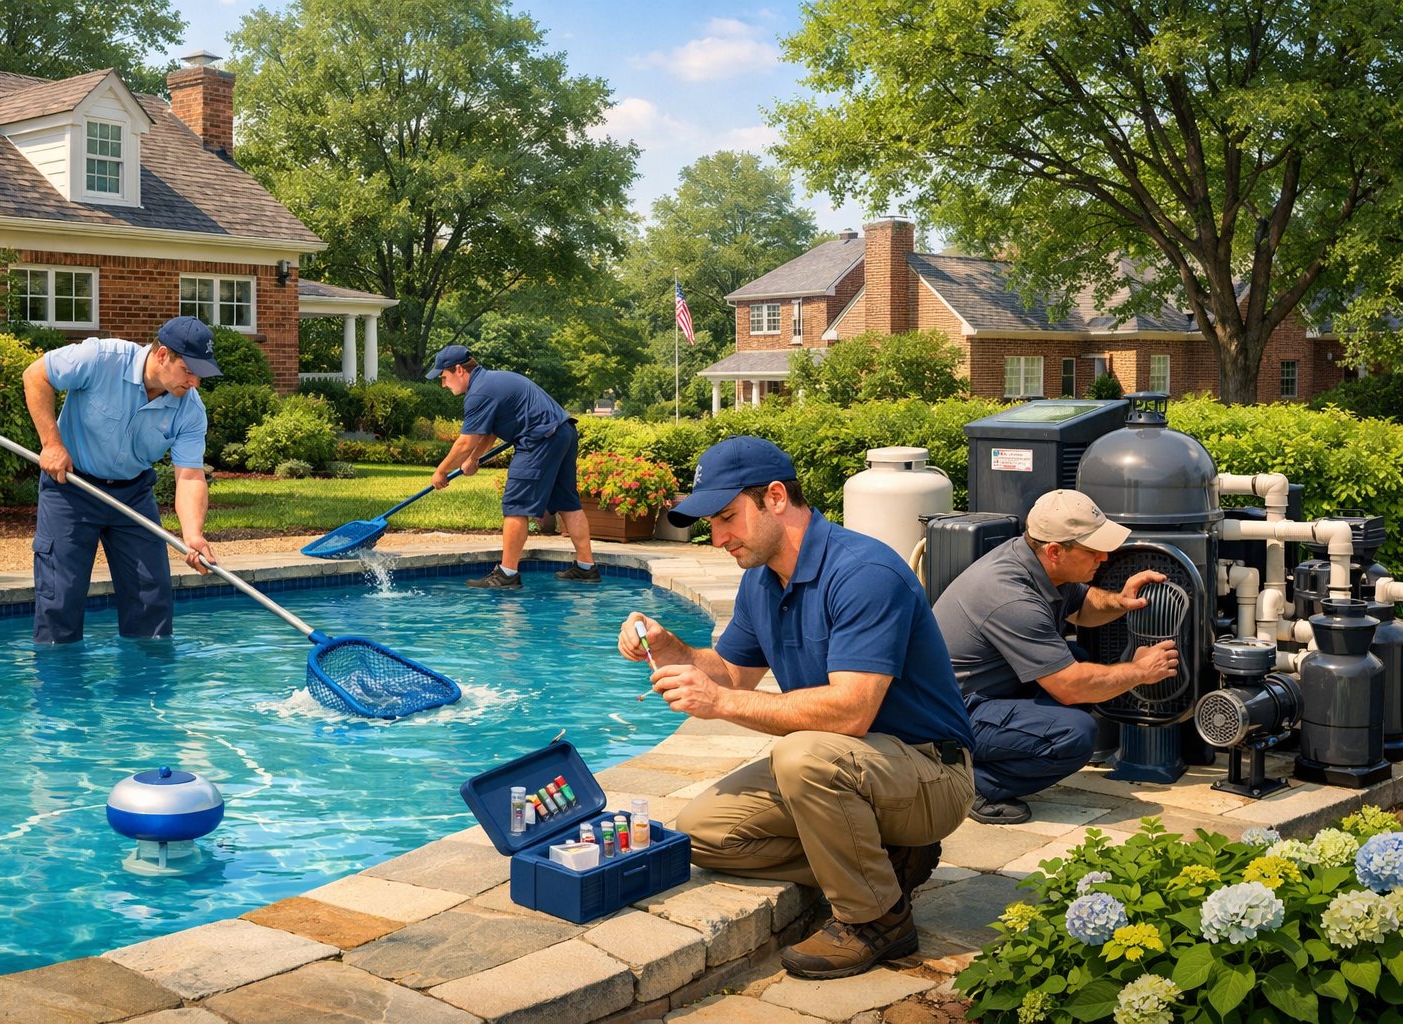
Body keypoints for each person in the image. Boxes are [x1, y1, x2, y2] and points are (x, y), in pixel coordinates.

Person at [617, 436, 975, 980]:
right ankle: (888, 863)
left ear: (776, 498)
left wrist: (719, 703)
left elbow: (851, 713)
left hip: (930, 772)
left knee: (803, 755)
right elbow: (734, 673)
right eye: (711, 524)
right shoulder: (762, 580)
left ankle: (876, 920)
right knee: (703, 832)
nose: (717, 538)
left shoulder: (862, 573)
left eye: (727, 518)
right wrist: (674, 651)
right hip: (852, 768)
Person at [932, 489, 1179, 825]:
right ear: (1054, 551)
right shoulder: (1010, 597)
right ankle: (969, 784)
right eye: (1093, 551)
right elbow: (1070, 687)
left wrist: (1119, 601)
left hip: (981, 693)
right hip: (949, 717)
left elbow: (1081, 606)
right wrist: (1139, 671)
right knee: (1074, 733)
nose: (1104, 558)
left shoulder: (1037, 563)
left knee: (1076, 658)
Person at [22, 315, 220, 644]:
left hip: (133, 495)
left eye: (201, 374)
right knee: (60, 598)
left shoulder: (190, 410)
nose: (195, 383)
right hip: (72, 489)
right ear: (162, 355)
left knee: (151, 599)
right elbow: (35, 375)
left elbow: (189, 475)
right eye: (189, 371)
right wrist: (52, 444)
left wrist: (193, 534)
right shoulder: (101, 359)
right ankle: (59, 691)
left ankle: (146, 690)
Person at [425, 344, 598, 589]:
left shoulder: (479, 393)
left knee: (515, 506)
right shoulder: (492, 381)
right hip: (563, 432)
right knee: (567, 501)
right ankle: (586, 567)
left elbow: (465, 441)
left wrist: (441, 471)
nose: (444, 384)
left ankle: (507, 574)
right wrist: (474, 459)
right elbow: (489, 431)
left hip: (539, 439)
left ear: (459, 370)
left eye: (444, 377)